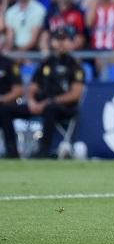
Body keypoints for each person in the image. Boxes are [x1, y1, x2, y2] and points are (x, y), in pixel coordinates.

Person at [0, 28, 84, 158]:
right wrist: (32, 102)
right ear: (51, 42)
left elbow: (75, 94)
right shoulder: (46, 63)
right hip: (40, 104)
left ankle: (43, 151)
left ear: (71, 43)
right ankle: (12, 152)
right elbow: (32, 87)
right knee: (5, 109)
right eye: (57, 40)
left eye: (64, 40)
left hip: (63, 107)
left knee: (51, 109)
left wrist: (49, 102)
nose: (60, 44)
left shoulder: (75, 65)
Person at [0, 54, 23, 158]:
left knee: (4, 110)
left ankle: (12, 151)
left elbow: (18, 90)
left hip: (6, 103)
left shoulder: (8, 63)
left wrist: (2, 99)